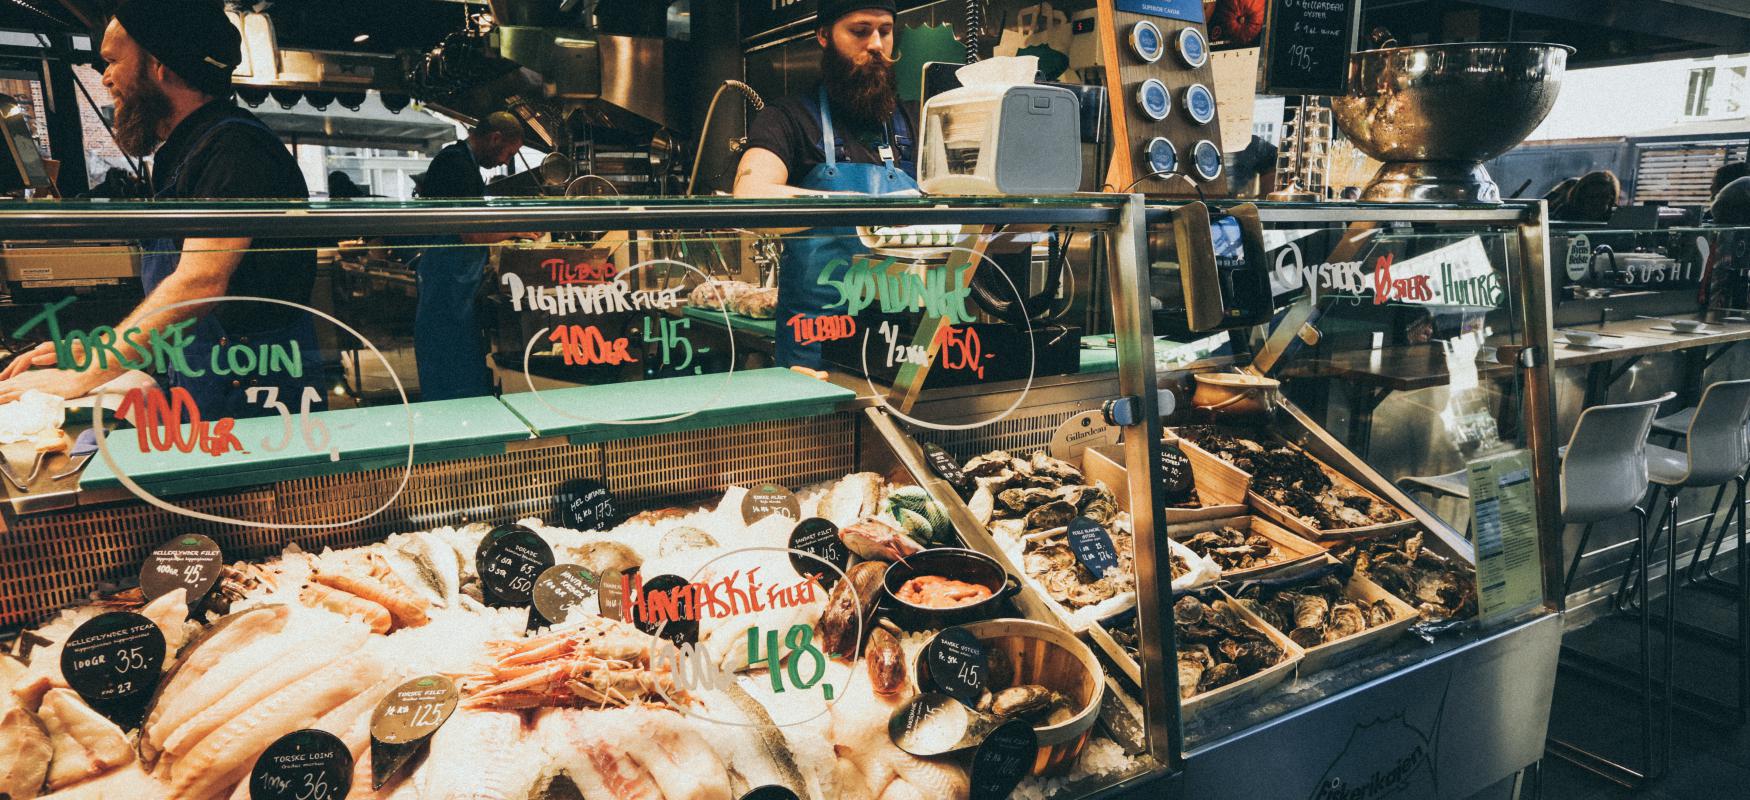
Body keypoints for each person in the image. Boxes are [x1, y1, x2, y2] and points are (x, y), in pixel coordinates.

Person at [0, 0, 319, 418]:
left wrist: (83, 375)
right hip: (212, 389)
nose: (106, 78)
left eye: (112, 61)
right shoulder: (191, 148)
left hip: (258, 403)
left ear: (160, 66)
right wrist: (98, 348)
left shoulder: (235, 149)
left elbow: (199, 283)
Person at [733, 0, 917, 368]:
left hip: (905, 341)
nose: (876, 44)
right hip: (816, 344)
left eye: (885, 31)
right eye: (860, 31)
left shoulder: (913, 119)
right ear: (824, 36)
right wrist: (857, 206)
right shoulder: (788, 118)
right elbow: (750, 196)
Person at [412, 112, 525, 400]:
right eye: (508, 154)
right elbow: (471, 234)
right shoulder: (457, 164)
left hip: (454, 280)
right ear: (495, 138)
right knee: (451, 365)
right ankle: (454, 420)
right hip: (448, 282)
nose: (505, 162)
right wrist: (517, 229)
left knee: (454, 362)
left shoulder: (460, 160)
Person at [1552, 170, 1621, 222]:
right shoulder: (1564, 214)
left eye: (1604, 197)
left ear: (1611, 201)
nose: (1597, 202)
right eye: (1592, 197)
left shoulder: (1615, 218)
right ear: (1580, 197)